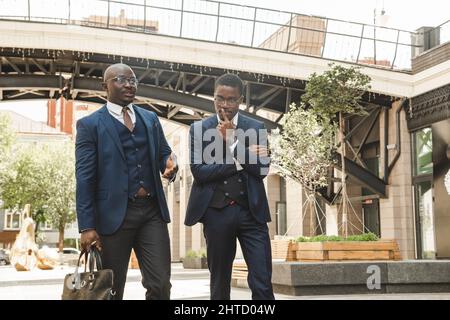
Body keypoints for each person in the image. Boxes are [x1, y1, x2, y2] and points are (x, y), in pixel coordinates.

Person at [75, 63, 177, 300]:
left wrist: (170, 165)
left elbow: (164, 153)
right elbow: (84, 177)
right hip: (112, 217)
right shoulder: (90, 125)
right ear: (105, 86)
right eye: (121, 79)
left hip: (152, 212)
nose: (129, 85)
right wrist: (87, 226)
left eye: (133, 80)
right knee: (110, 290)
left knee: (161, 284)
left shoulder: (150, 118)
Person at [185, 73, 275, 300]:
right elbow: (200, 172)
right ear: (213, 98)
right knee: (219, 283)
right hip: (216, 214)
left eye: (231, 99)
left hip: (252, 214)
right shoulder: (198, 129)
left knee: (262, 281)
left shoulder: (255, 127)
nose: (225, 104)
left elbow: (262, 169)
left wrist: (233, 142)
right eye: (220, 98)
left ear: (240, 100)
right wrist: (241, 161)